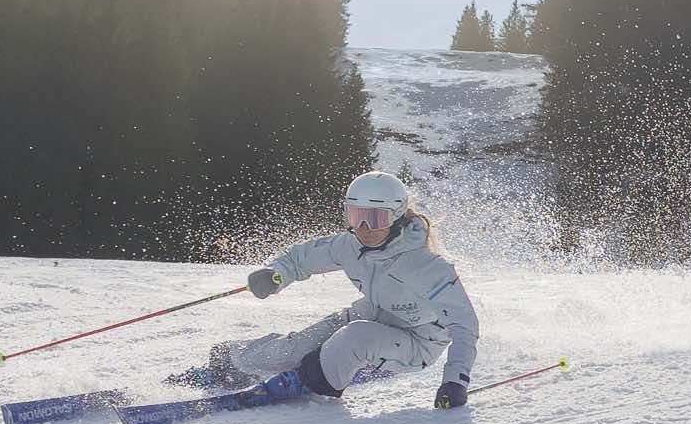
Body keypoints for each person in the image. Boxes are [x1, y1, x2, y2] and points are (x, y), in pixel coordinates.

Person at [191, 171, 480, 409]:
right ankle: (233, 360)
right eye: (356, 217)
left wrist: (455, 381)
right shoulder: (349, 245)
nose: (365, 228)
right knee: (297, 345)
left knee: (355, 338)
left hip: (419, 340)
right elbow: (299, 259)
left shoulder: (426, 266)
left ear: (396, 216)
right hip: (372, 314)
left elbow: (464, 325)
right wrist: (274, 275)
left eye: (376, 219)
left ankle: (308, 380)